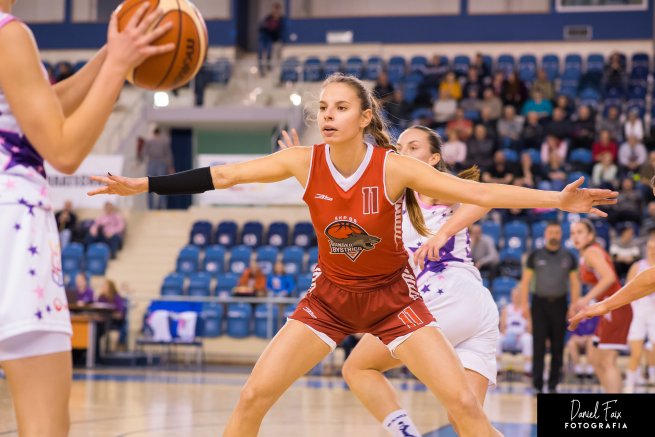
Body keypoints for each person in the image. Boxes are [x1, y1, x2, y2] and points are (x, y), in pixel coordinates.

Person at [89, 73, 616, 437]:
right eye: (322, 107)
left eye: (340, 107)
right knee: (252, 397)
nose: (328, 115)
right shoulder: (302, 161)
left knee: (461, 406)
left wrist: (558, 201)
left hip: (393, 302)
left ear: (365, 117)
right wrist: (143, 184)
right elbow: (222, 175)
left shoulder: (393, 167)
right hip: (330, 300)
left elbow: (480, 194)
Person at [0, 3, 173, 436]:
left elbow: (39, 107)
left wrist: (109, 55)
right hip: (12, 229)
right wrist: (117, 65)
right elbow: (62, 149)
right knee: (46, 424)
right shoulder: (9, 34)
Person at [340, 125, 499, 436]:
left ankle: (406, 434)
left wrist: (444, 232)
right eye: (400, 147)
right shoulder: (397, 201)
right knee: (467, 419)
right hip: (475, 306)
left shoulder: (434, 187)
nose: (404, 152)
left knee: (357, 367)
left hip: (446, 294)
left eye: (414, 147)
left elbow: (485, 199)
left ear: (433, 158)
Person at [569, 219, 633, 393]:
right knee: (594, 357)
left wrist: (586, 299)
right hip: (609, 306)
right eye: (573, 233)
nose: (575, 236)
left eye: (580, 232)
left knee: (606, 361)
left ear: (590, 235)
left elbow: (609, 277)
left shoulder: (591, 252)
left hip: (616, 307)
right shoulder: (586, 254)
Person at [519, 221, 580, 394]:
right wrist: (525, 306)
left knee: (558, 347)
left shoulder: (569, 257)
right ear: (545, 234)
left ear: (561, 235)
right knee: (538, 346)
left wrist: (574, 304)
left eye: (557, 233)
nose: (553, 236)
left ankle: (553, 385)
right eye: (551, 232)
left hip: (560, 304)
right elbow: (525, 283)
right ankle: (537, 384)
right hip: (539, 305)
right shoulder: (535, 256)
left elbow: (575, 283)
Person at [622, 233, 655, 392]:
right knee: (636, 350)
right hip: (638, 310)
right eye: (650, 247)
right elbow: (626, 291)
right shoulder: (637, 266)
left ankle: (652, 377)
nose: (652, 251)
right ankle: (630, 381)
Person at [498, 288, 532, 377]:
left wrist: (522, 333)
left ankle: (528, 369)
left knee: (528, 338)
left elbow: (530, 328)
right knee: (498, 338)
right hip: (508, 336)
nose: (516, 298)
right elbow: (502, 328)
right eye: (514, 296)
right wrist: (508, 334)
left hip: (520, 339)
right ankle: (497, 368)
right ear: (511, 297)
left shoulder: (526, 309)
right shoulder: (506, 309)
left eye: (518, 296)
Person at [141, 127, 174, 209]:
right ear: (159, 133)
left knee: (149, 185)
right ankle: (163, 207)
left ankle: (150, 207)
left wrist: (141, 160)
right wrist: (170, 166)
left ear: (154, 133)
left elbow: (144, 152)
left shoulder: (149, 141)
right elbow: (168, 155)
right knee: (161, 186)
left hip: (152, 163)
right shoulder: (164, 141)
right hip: (161, 163)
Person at [96, 278, 127, 354]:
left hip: (114, 322)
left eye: (104, 286)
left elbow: (120, 314)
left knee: (98, 331)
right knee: (95, 331)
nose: (102, 287)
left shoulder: (117, 297)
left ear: (110, 287)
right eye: (102, 286)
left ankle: (100, 355)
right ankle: (95, 355)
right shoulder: (101, 297)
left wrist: (110, 315)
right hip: (102, 322)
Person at [565, 316, 598, 381]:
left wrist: (586, 337)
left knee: (591, 341)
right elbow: (571, 332)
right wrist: (578, 338)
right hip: (578, 342)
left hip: (589, 341)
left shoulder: (595, 318)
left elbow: (596, 332)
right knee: (571, 343)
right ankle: (578, 368)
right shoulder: (574, 318)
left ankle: (590, 368)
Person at [257, 2, 284, 76]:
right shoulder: (268, 18)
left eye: (277, 9)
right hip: (264, 36)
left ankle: (268, 66)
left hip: (271, 38)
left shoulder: (281, 19)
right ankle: (261, 68)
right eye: (275, 9)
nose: (276, 11)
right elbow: (262, 27)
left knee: (269, 52)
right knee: (261, 52)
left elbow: (279, 31)